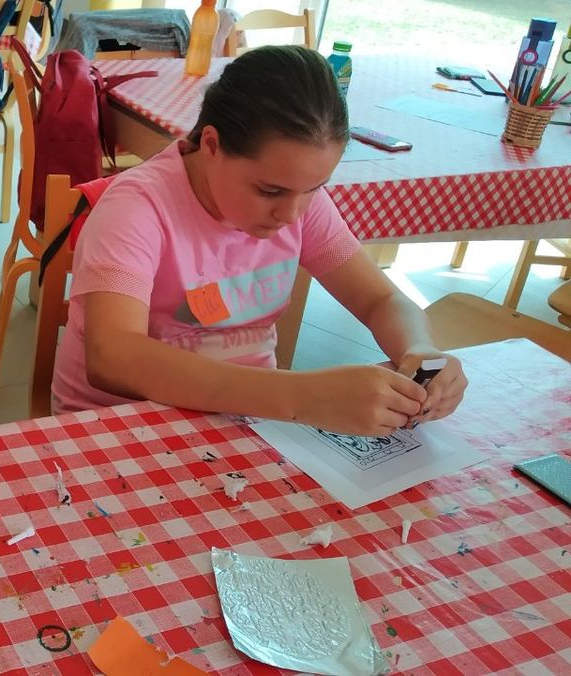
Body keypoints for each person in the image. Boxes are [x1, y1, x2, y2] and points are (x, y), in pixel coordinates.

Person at [51, 45, 467, 436]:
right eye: (269, 191)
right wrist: (303, 396)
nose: (291, 215)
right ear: (211, 145)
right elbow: (114, 356)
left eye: (314, 189)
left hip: (247, 420)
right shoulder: (137, 207)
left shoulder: (299, 202)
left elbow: (380, 299)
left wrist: (419, 349)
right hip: (122, 426)